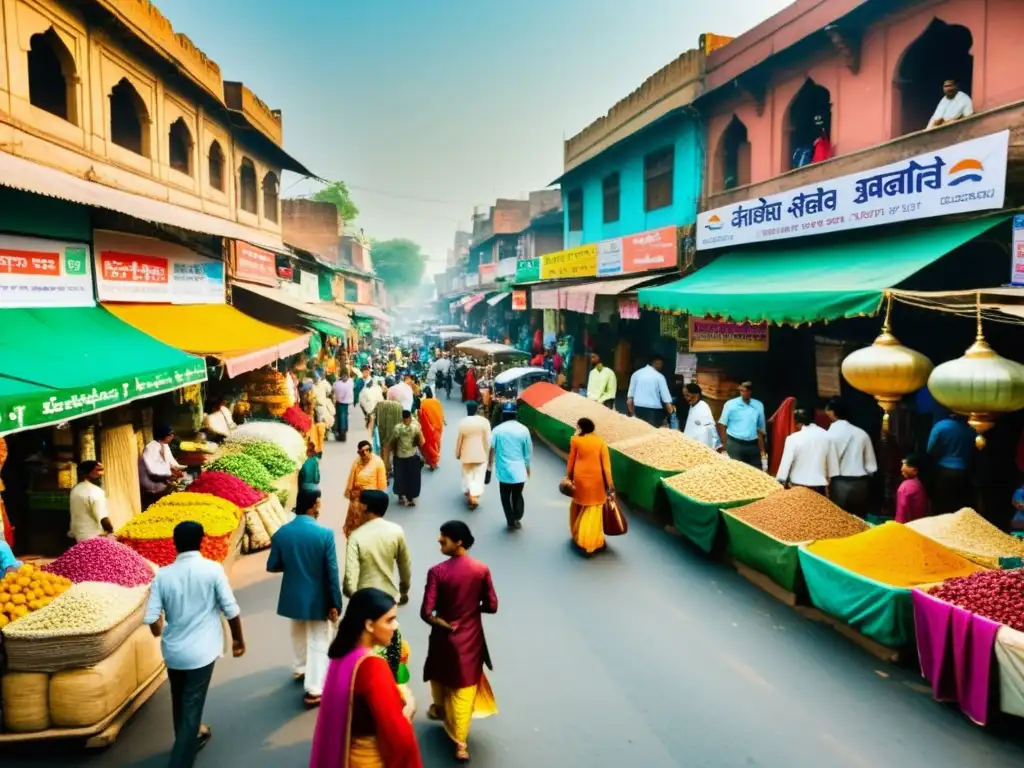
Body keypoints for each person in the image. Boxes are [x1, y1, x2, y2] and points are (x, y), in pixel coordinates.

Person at [145, 521, 245, 767]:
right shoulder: (212, 570)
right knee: (191, 705)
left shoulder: (163, 575)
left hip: (174, 652)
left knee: (179, 699)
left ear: (174, 543)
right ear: (201, 541)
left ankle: (186, 739)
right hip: (202, 652)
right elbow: (230, 609)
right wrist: (238, 639)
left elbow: (151, 620)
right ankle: (181, 758)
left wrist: (162, 631)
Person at [310, 588, 422, 768]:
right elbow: (397, 734)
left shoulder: (342, 654)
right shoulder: (372, 666)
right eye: (390, 620)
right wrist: (409, 707)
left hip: (347, 754)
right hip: (370, 758)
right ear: (369, 625)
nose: (396, 626)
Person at [421, 521, 498, 763]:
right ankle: (461, 743)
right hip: (471, 639)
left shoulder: (437, 572)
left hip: (443, 639)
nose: (439, 542)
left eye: (444, 539)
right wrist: (472, 611)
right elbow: (493, 606)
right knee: (464, 689)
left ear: (459, 542)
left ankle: (440, 710)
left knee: (440, 677)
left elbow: (426, 612)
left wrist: (444, 623)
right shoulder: (481, 569)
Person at [266, 489, 342, 707]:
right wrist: (335, 602)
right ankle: (315, 688)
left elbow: (272, 566)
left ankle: (300, 668)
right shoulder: (324, 534)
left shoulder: (282, 533)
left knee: (298, 631)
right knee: (319, 639)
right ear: (314, 505)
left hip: (293, 595)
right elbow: (332, 572)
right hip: (318, 597)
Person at [566, 417, 615, 555]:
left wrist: (568, 476)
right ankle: (590, 541)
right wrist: (610, 485)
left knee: (580, 504)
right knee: (593, 508)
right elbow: (606, 467)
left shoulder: (575, 440)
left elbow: (571, 460)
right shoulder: (600, 442)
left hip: (580, 478)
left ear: (581, 428)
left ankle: (578, 536)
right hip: (597, 480)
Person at [825, 398, 877, 517]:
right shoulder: (862, 433)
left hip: (839, 483)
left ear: (832, 413)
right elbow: (871, 466)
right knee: (859, 520)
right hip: (861, 485)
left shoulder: (828, 435)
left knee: (840, 520)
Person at [489, 403, 533, 530]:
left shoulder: (497, 430)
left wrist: (489, 466)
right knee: (517, 494)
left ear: (503, 415)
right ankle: (517, 516)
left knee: (504, 496)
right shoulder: (524, 430)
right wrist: (528, 467)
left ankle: (510, 519)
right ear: (515, 415)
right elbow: (528, 452)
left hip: (503, 471)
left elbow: (491, 449)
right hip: (519, 470)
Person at [776, 408, 839, 495]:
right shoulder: (828, 436)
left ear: (798, 422)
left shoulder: (793, 438)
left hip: (798, 486)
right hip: (819, 486)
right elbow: (833, 466)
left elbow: (785, 465)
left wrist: (781, 481)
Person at [927, 412, 975, 515]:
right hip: (965, 471)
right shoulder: (971, 428)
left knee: (942, 507)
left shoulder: (941, 426)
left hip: (944, 470)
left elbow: (930, 449)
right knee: (959, 508)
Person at [717, 382, 767, 470]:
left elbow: (760, 430)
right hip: (734, 444)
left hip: (753, 445)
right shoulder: (730, 404)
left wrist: (763, 453)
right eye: (742, 390)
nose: (744, 392)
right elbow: (722, 425)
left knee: (757, 473)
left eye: (746, 390)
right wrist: (724, 448)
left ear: (750, 391)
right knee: (736, 472)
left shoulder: (758, 405)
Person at [344, 441, 389, 538]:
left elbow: (381, 485)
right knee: (353, 528)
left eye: (367, 450)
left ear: (370, 451)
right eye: (361, 452)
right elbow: (351, 479)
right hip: (357, 499)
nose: (365, 454)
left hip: (371, 499)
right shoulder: (356, 462)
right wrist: (350, 494)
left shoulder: (378, 462)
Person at [456, 401, 491, 510]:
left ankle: (470, 494)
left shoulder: (463, 422)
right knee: (478, 476)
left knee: (468, 475)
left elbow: (459, 441)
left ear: (467, 409)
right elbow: (487, 441)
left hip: (466, 454)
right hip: (481, 454)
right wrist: (488, 455)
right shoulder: (484, 422)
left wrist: (458, 454)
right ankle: (474, 497)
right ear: (476, 410)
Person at [140, 425, 184, 509]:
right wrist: (170, 475)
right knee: (155, 506)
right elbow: (152, 470)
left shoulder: (164, 445)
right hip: (153, 485)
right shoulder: (151, 448)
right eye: (171, 434)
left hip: (162, 481)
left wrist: (177, 469)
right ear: (165, 435)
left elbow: (170, 461)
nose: (172, 436)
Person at [69, 460, 113, 543]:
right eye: (98, 470)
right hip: (94, 537)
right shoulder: (95, 491)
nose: (102, 474)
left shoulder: (75, 489)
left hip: (78, 535)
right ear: (88, 472)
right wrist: (110, 531)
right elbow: (103, 517)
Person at [627, 355, 674, 427]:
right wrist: (672, 414)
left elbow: (629, 400)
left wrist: (632, 414)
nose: (661, 367)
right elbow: (666, 399)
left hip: (638, 409)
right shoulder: (659, 377)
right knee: (651, 434)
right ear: (656, 363)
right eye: (661, 364)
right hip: (653, 412)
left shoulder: (636, 374)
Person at [391, 411, 424, 507]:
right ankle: (410, 499)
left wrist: (394, 452)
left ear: (402, 418)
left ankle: (400, 494)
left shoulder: (397, 428)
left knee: (400, 476)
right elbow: (421, 442)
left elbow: (393, 441)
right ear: (410, 417)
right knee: (412, 478)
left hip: (400, 456)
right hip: (412, 456)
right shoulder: (415, 428)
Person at [371, 399, 404, 478]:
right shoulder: (399, 406)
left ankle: (385, 474)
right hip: (396, 435)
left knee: (385, 455)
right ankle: (396, 471)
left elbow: (374, 420)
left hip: (384, 435)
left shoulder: (379, 405)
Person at [682, 383, 721, 450]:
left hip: (701, 445)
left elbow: (705, 431)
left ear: (696, 395)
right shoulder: (692, 405)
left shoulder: (703, 407)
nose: (685, 398)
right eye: (684, 396)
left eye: (687, 395)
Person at [896, 454, 930, 523]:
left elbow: (902, 511)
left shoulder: (906, 487)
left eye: (906, 465)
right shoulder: (920, 484)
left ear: (915, 470)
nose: (902, 468)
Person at [418, 389, 445, 471]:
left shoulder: (422, 403)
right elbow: (441, 414)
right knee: (436, 444)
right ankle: (434, 461)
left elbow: (420, 416)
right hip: (438, 427)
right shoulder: (437, 402)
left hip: (428, 428)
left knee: (428, 446)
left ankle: (432, 461)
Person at [333, 369, 355, 442]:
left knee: (342, 417)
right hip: (342, 403)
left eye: (345, 376)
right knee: (342, 417)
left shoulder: (339, 383)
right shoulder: (350, 382)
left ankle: (342, 432)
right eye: (343, 376)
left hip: (342, 403)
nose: (344, 378)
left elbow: (334, 389)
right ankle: (342, 432)